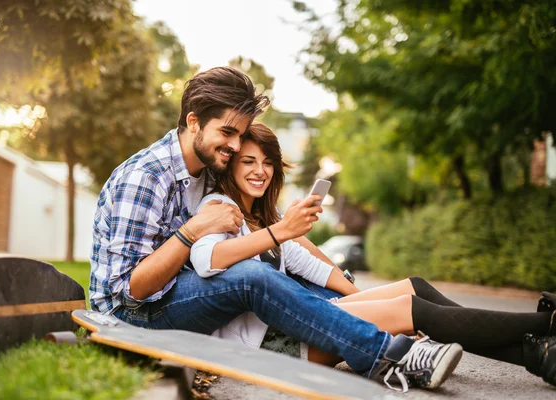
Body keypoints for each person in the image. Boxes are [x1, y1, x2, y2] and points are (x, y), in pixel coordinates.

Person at [90, 67, 463, 392]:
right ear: (192, 122)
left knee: (292, 278)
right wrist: (191, 233)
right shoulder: (146, 177)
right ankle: (387, 355)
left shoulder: (206, 167)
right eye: (228, 133)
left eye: (241, 135)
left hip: (171, 294)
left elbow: (281, 242)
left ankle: (393, 331)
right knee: (252, 276)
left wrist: (292, 236)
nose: (235, 147)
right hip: (130, 317)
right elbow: (131, 291)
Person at [187, 122, 556, 388]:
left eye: (267, 162)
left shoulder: (262, 217)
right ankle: (547, 325)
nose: (260, 171)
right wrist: (280, 231)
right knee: (408, 310)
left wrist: (360, 297)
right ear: (231, 165)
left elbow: (308, 264)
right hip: (271, 342)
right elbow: (206, 259)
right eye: (249, 161)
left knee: (413, 288)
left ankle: (539, 357)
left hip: (297, 322)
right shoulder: (219, 206)